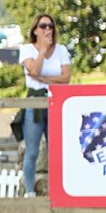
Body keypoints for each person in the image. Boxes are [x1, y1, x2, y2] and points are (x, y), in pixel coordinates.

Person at [19, 12, 71, 197]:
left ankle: (58, 190)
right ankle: (30, 191)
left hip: (57, 102)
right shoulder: (27, 49)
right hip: (35, 103)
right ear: (35, 30)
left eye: (50, 26)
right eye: (43, 26)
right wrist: (42, 51)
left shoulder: (62, 50)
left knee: (56, 150)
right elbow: (33, 69)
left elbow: (66, 78)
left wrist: (42, 78)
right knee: (32, 151)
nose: (47, 29)